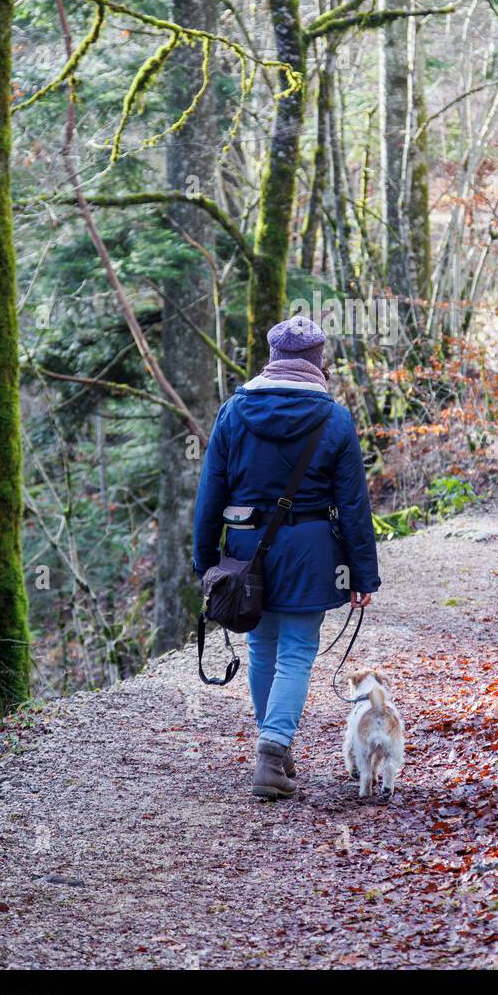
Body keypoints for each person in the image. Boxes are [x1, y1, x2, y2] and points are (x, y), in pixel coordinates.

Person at [193, 315, 380, 799]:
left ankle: (272, 748)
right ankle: (272, 752)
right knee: (296, 653)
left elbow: (210, 494)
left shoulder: (233, 413)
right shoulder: (334, 419)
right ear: (317, 361)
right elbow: (354, 505)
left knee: (262, 649)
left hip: (243, 550)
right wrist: (363, 572)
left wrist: (203, 561)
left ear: (273, 358)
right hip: (311, 553)